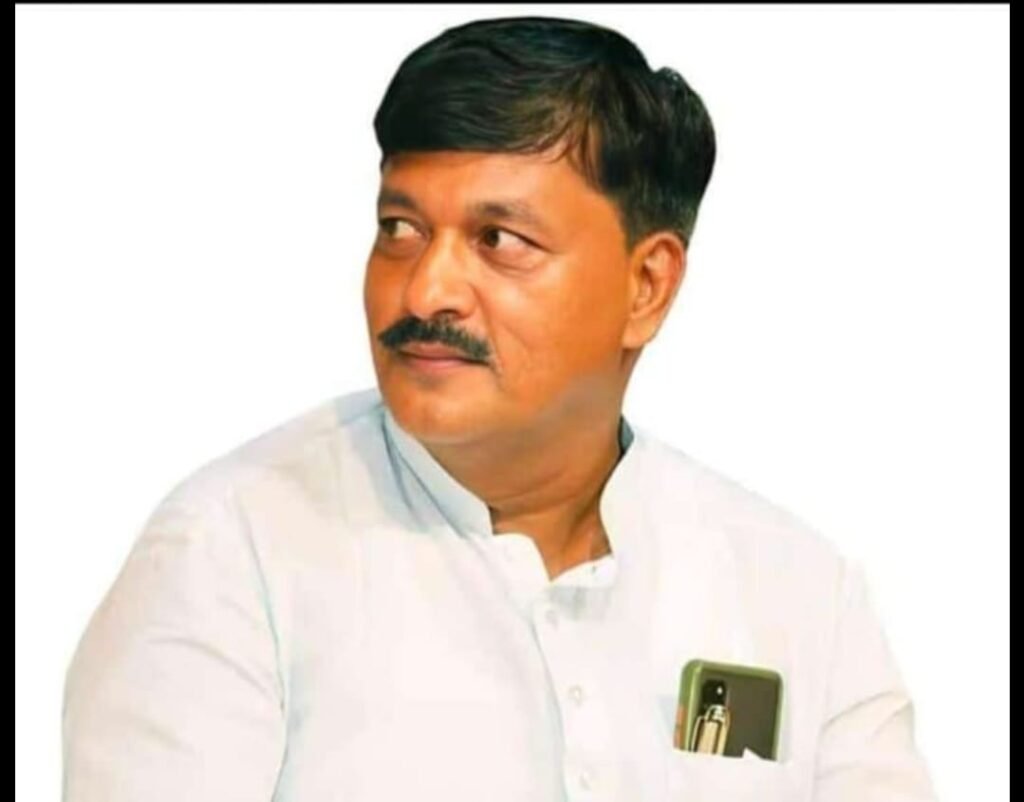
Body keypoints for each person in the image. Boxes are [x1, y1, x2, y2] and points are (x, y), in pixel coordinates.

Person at [61, 15, 940, 802]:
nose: (426, 289)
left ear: (646, 285)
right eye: (400, 229)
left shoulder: (795, 591)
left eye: (499, 241)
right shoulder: (233, 553)